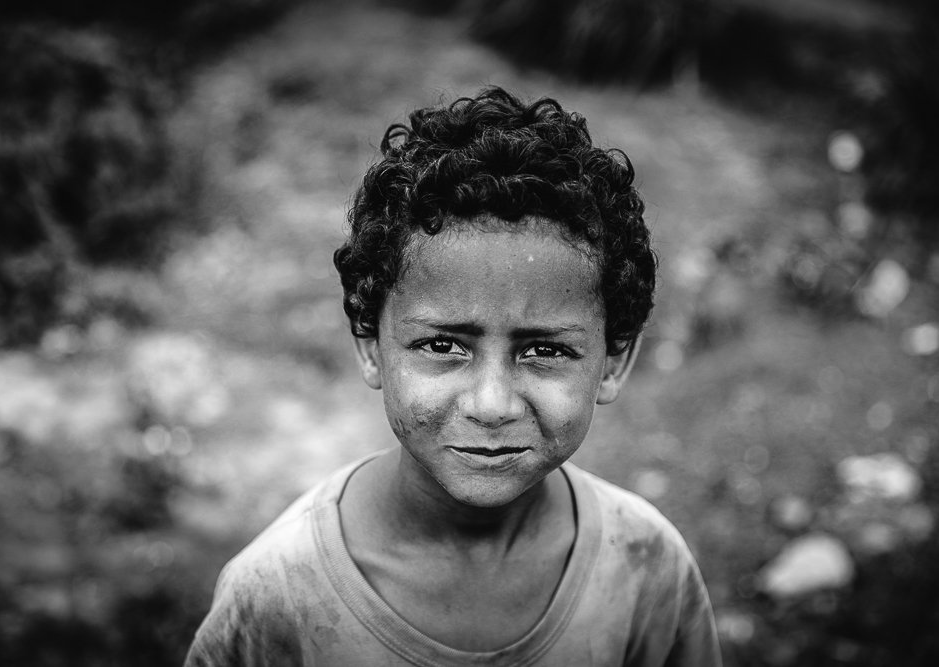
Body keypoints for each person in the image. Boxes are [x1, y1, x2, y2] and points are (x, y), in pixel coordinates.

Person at [185, 87, 721, 666]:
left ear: (613, 361)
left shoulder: (646, 565)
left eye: (544, 350)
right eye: (442, 345)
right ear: (371, 344)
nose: (492, 405)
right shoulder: (276, 597)